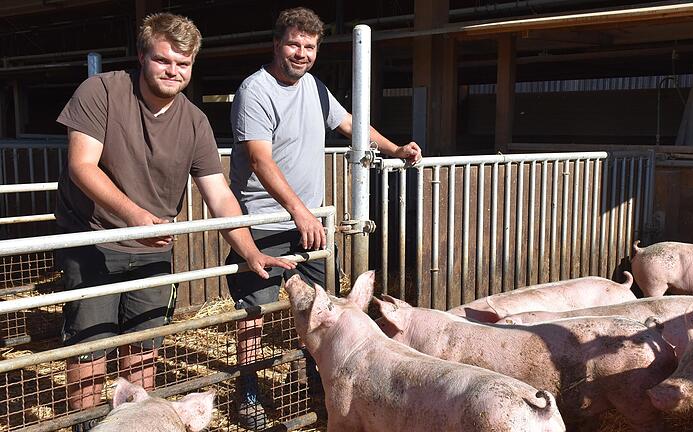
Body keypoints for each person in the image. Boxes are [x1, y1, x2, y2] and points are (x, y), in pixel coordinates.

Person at [54, 13, 295, 432]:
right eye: (164, 60)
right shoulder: (102, 92)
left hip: (153, 251)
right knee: (90, 350)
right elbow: (81, 166)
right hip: (94, 242)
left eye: (183, 64)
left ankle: (135, 425)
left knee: (144, 349)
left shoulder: (194, 121)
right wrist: (136, 217)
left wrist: (250, 249)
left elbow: (219, 195)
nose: (173, 71)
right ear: (142, 56)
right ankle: (86, 426)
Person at [225, 6, 421, 429]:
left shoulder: (314, 87)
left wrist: (394, 150)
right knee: (253, 314)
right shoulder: (254, 91)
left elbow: (352, 124)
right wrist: (300, 213)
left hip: (308, 222)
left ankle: (315, 380)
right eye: (294, 43)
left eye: (309, 46)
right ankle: (250, 389)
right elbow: (259, 160)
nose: (301, 53)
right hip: (262, 222)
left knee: (319, 310)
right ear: (276, 44)